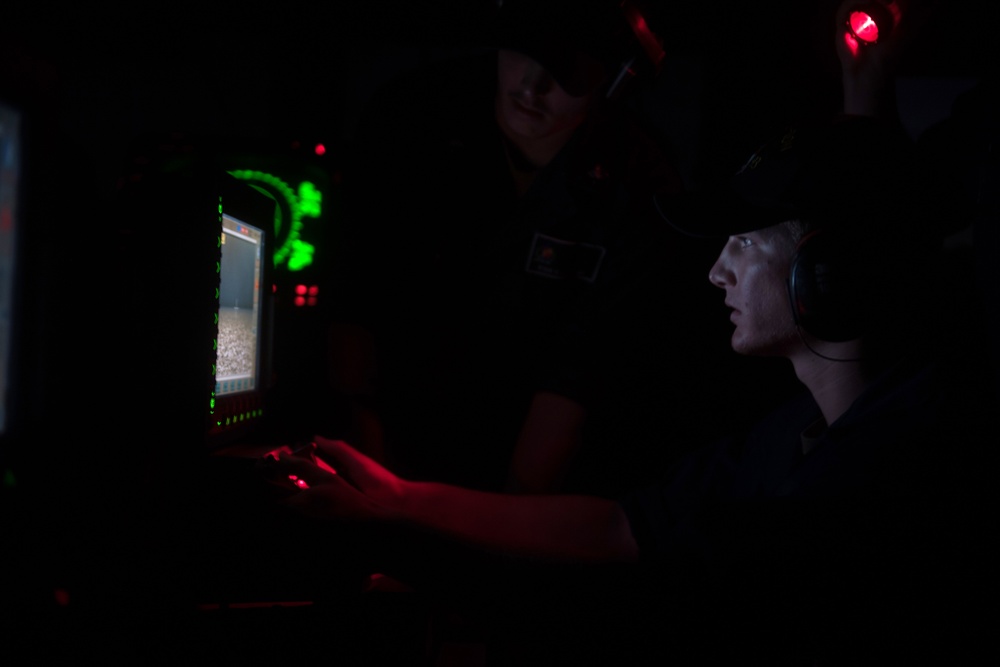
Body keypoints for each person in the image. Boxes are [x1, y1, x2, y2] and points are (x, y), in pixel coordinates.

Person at [262, 113, 992, 664]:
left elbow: (655, 604)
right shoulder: (806, 427)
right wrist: (400, 499)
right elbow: (627, 527)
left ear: (830, 271)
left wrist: (421, 565)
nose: (718, 270)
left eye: (745, 240)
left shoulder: (882, 476)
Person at [320, 0, 783, 499]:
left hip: (536, 469)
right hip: (388, 423)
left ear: (617, 76)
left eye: (565, 72)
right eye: (521, 54)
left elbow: (579, 377)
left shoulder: (638, 183)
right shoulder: (411, 115)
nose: (530, 86)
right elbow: (354, 301)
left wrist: (497, 527)